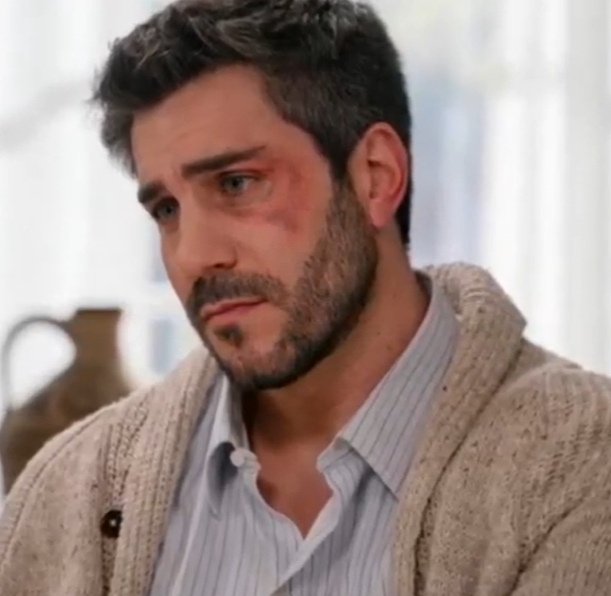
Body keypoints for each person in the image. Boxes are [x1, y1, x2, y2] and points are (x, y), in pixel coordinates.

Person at [2, 0, 611, 594]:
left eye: (236, 183)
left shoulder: (584, 463)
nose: (192, 255)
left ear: (375, 176)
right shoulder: (69, 490)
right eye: (166, 209)